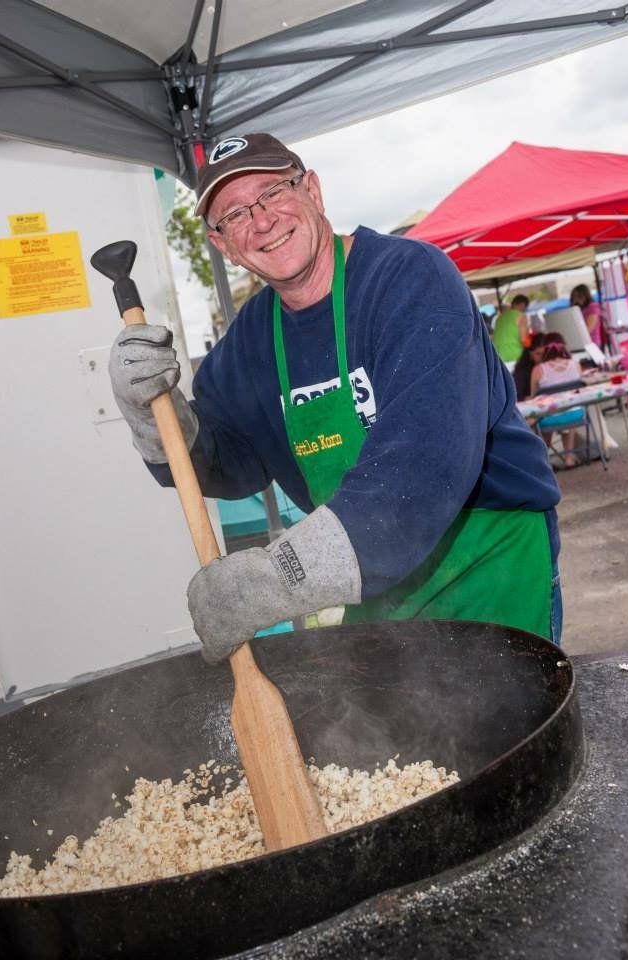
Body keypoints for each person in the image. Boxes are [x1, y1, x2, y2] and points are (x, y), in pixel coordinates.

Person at [108, 132, 563, 664]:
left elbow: (420, 473)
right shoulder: (247, 346)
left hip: (489, 562)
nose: (261, 220)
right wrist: (148, 412)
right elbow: (221, 465)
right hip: (376, 590)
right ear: (223, 245)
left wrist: (277, 577)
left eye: (273, 192)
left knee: (514, 741)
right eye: (233, 215)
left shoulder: (412, 281)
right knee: (399, 744)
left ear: (314, 192)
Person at [530, 333, 584, 469]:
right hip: (576, 415)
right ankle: (569, 458)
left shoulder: (538, 370)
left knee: (544, 414)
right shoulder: (575, 365)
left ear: (544, 348)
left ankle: (543, 461)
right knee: (571, 406)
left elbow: (533, 400)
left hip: (549, 419)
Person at [491, 294, 530, 363]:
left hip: (498, 358)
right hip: (515, 356)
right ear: (522, 304)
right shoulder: (521, 316)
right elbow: (523, 339)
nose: (525, 309)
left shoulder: (499, 318)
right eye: (526, 306)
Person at [512, 332, 546, 401]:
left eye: (545, 353)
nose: (543, 357)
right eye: (538, 353)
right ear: (530, 354)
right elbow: (517, 396)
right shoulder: (522, 372)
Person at [570, 283, 604, 348]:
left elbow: (589, 329)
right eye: (574, 298)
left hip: (592, 344)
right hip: (583, 344)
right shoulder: (580, 309)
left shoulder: (593, 307)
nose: (576, 300)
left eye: (578, 296)